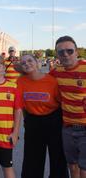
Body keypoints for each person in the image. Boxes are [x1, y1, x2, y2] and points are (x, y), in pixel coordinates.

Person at [17, 54, 68, 178]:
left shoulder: (51, 80)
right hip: (33, 121)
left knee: (57, 157)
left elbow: (61, 102)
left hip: (53, 120)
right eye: (23, 63)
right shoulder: (20, 82)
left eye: (30, 61)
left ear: (37, 62)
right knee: (32, 159)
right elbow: (19, 105)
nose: (27, 64)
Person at [50, 36, 86, 178]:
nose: (65, 54)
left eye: (69, 51)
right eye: (61, 52)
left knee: (84, 168)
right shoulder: (56, 72)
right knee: (72, 165)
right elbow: (38, 78)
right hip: (68, 128)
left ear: (77, 52)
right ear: (57, 55)